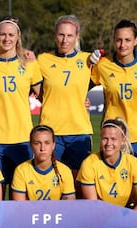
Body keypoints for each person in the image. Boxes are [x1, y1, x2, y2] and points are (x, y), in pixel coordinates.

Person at [0, 16, 43, 199]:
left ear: (18, 36)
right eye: (2, 34)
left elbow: (47, 95)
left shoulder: (29, 63)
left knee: (19, 200)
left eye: (11, 34)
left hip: (22, 139)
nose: (7, 39)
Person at [91, 19, 137, 181]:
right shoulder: (103, 65)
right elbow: (78, 87)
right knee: (112, 187)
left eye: (127, 40)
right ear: (113, 40)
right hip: (113, 137)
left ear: (136, 41)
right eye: (118, 40)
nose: (122, 45)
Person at [37, 15, 93, 183]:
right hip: (51, 132)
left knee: (79, 185)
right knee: (52, 183)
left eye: (69, 36)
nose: (64, 40)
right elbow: (38, 90)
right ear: (55, 35)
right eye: (61, 35)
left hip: (79, 132)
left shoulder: (88, 60)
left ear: (77, 37)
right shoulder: (42, 60)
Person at [76, 117, 137, 211]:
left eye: (113, 139)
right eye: (105, 138)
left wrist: (127, 221)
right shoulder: (89, 163)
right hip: (99, 215)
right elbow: (93, 206)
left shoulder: (133, 162)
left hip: (127, 214)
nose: (109, 143)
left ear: (123, 140)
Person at [11, 125, 76, 200]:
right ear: (31, 145)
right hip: (29, 212)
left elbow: (68, 206)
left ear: (53, 145)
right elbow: (20, 207)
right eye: (37, 143)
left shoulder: (64, 171)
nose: (42, 148)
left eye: (47, 143)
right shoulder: (21, 171)